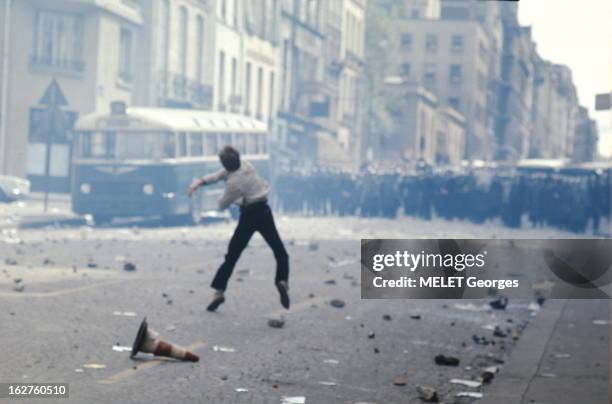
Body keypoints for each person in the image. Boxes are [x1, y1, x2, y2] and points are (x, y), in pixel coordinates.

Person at [187, 145, 290, 312]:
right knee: (280, 251)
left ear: (225, 164)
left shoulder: (234, 183)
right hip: (264, 211)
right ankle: (282, 280)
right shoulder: (246, 165)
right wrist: (201, 182)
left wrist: (226, 192)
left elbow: (222, 204)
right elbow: (221, 174)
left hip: (249, 215)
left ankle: (219, 292)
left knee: (232, 256)